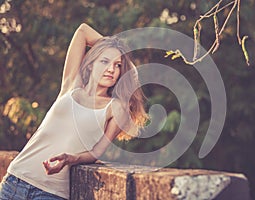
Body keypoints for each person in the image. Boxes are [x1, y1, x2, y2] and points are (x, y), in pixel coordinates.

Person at [0, 23, 148, 200]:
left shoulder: (116, 108)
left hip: (50, 193)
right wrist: (114, 48)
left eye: (118, 65)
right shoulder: (71, 85)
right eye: (104, 61)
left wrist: (71, 159)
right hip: (14, 181)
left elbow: (96, 153)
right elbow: (83, 31)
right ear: (91, 63)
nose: (111, 69)